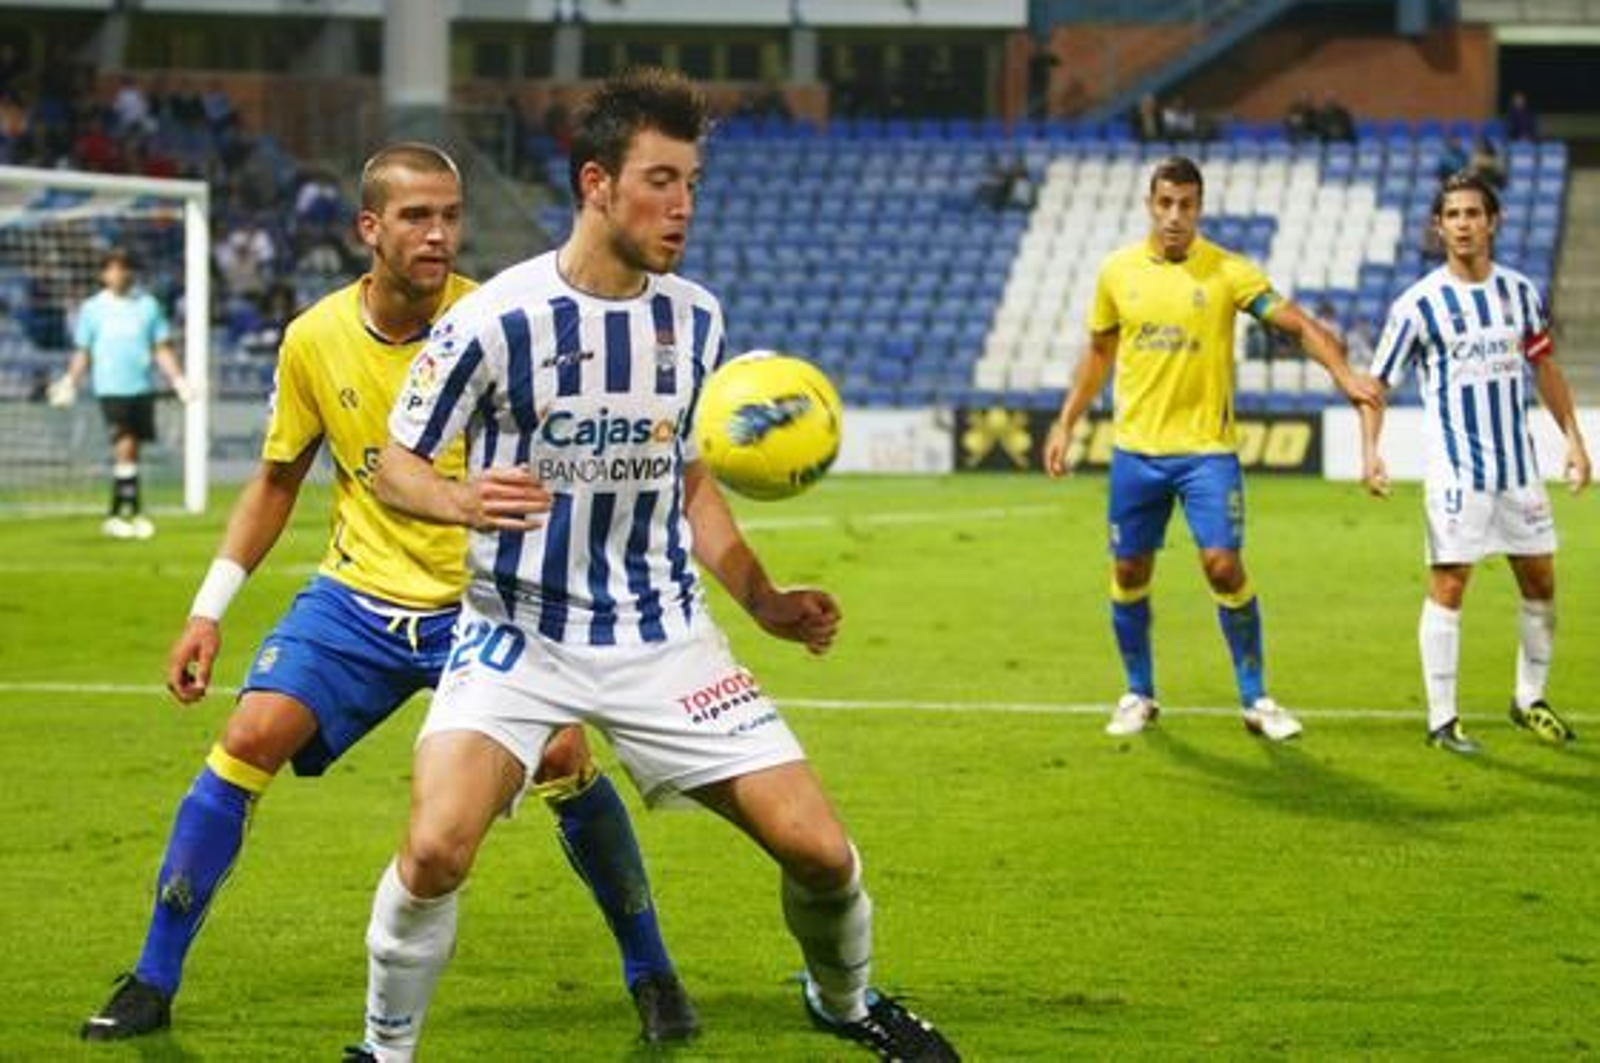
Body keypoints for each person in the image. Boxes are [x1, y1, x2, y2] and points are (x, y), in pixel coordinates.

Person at [345, 70, 958, 1062]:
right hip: (518, 633)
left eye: (693, 183)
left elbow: (691, 479)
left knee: (822, 852)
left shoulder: (698, 321)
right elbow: (396, 464)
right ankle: (383, 1049)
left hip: (662, 635)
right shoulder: (495, 320)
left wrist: (761, 597)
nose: (683, 206)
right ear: (597, 183)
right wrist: (458, 499)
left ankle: (845, 1003)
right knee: (433, 847)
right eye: (661, 180)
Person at [80, 143, 696, 1045]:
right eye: (417, 216)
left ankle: (654, 972)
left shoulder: (503, 321)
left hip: (485, 605)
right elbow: (278, 480)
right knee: (246, 736)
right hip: (357, 598)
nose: (440, 232)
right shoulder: (315, 337)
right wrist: (209, 608)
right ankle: (152, 975)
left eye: (451, 215)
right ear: (370, 228)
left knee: (564, 754)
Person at [1042, 156, 1381, 740]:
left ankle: (1256, 698)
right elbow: (1099, 353)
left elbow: (1295, 322)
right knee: (1129, 567)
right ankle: (1138, 693)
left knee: (1223, 566)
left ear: (1200, 208)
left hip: (1206, 453)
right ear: (1150, 204)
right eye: (1165, 203)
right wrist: (1066, 421)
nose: (1175, 216)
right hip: (1136, 453)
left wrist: (1345, 376)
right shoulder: (1116, 272)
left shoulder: (1228, 272)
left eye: (1186, 204)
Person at [1359, 172, 1591, 754]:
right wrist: (1371, 451)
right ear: (1438, 227)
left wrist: (1575, 439)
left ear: (1493, 222)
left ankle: (1528, 698)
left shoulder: (1519, 293)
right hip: (1457, 475)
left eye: (1472, 213)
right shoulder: (1418, 306)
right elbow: (1377, 384)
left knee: (1541, 582)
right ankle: (1442, 719)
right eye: (1452, 215)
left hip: (1519, 470)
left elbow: (1546, 369)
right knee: (1450, 584)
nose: (1462, 224)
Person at [49, 247, 191, 539]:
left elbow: (161, 348)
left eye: (124, 267)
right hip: (111, 387)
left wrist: (179, 380)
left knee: (131, 452)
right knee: (125, 445)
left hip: (141, 386)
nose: (119, 273)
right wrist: (70, 382)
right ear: (104, 273)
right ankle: (133, 513)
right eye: (113, 268)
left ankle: (117, 515)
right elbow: (83, 351)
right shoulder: (92, 309)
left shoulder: (147, 306)